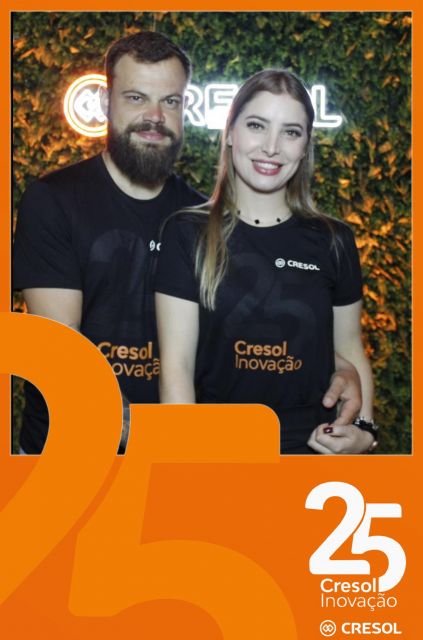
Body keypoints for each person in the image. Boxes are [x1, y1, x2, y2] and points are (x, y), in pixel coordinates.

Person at [154, 68, 378, 454]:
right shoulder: (186, 233)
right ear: (230, 132)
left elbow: (350, 350)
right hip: (218, 453)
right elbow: (177, 369)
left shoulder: (334, 240)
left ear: (305, 146)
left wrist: (365, 432)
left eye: (291, 132)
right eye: (257, 125)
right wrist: (187, 462)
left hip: (314, 453)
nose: (272, 147)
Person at [13, 31, 206, 454]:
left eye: (170, 101)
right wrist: (148, 435)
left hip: (169, 455)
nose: (155, 117)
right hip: (60, 453)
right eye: (136, 98)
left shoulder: (201, 215)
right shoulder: (53, 200)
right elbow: (61, 353)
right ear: (105, 103)